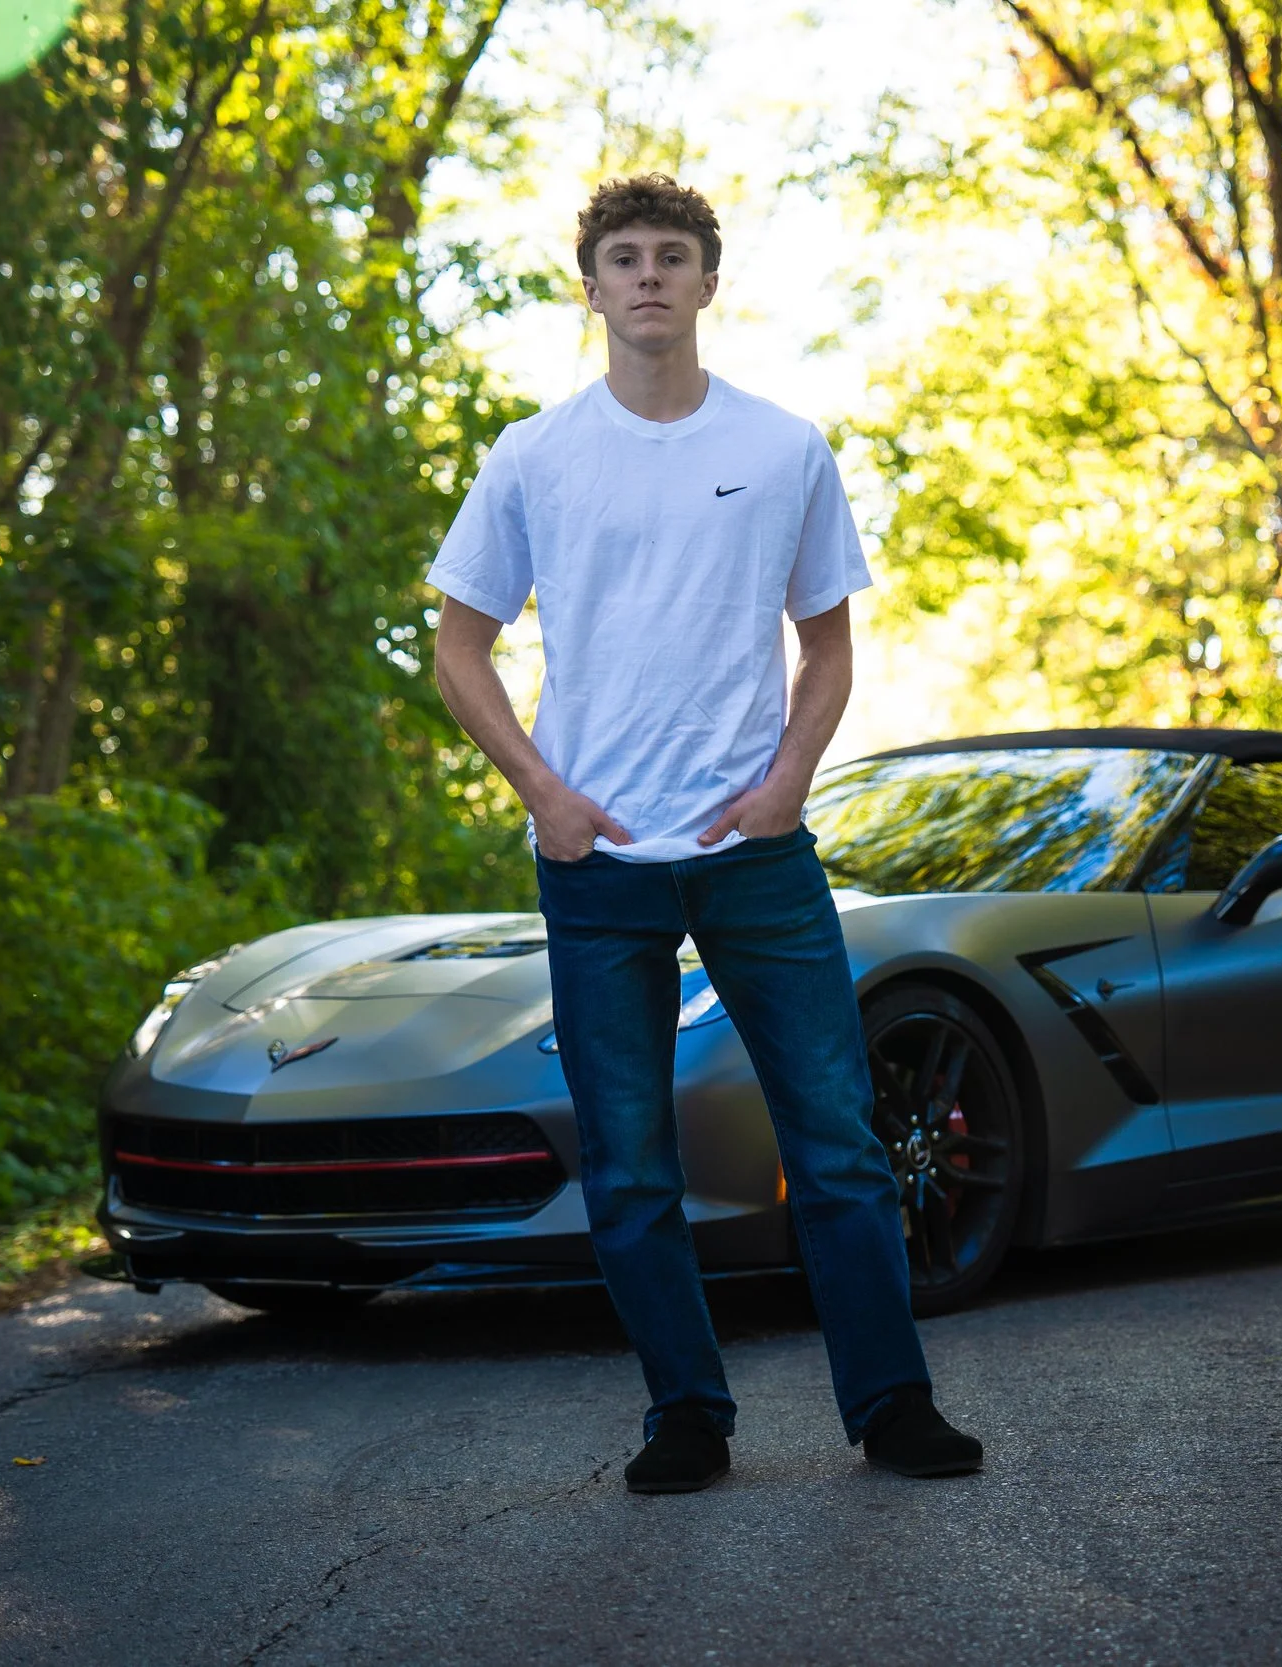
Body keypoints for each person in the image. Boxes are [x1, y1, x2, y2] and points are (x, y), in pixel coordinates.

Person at [427, 175, 983, 1494]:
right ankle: (687, 1411)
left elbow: (831, 644)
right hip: (595, 863)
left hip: (758, 851)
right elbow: (459, 648)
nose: (648, 278)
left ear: (707, 280)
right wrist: (540, 793)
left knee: (838, 1139)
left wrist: (791, 776)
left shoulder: (786, 446)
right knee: (627, 1163)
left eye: (671, 256)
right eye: (623, 257)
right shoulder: (534, 456)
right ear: (594, 284)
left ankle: (892, 1403)